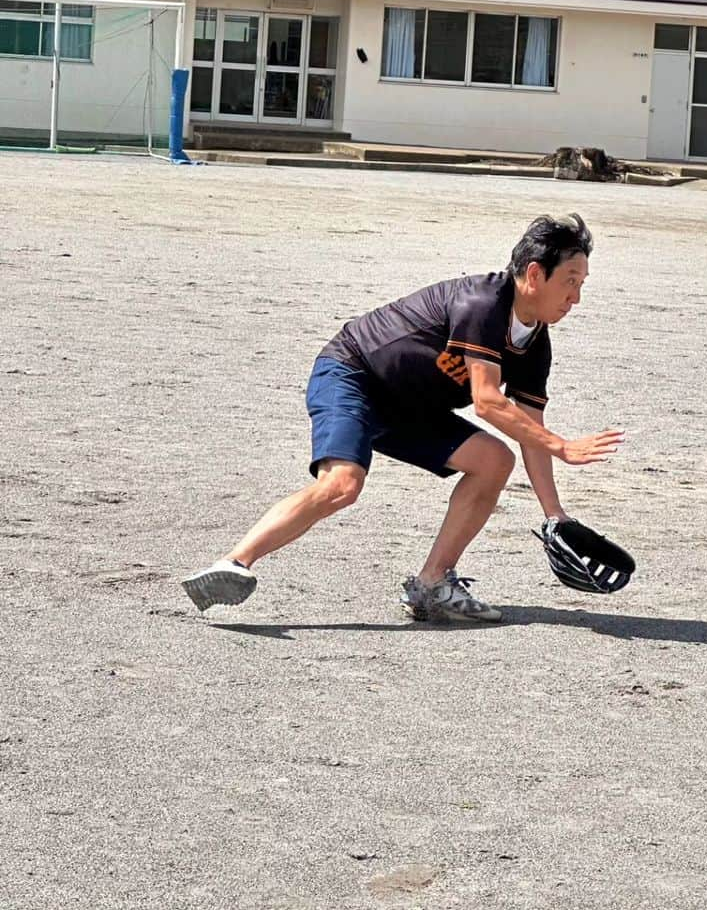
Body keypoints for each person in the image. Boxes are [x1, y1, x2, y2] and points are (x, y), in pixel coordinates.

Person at [181, 213, 623, 623]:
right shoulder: (482, 303)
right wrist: (563, 448)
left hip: (410, 406)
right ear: (533, 275)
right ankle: (233, 564)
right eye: (570, 281)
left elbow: (531, 432)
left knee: (495, 460)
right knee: (342, 485)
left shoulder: (535, 346)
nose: (576, 298)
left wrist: (554, 516)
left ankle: (432, 584)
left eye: (582, 283)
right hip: (354, 374)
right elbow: (488, 402)